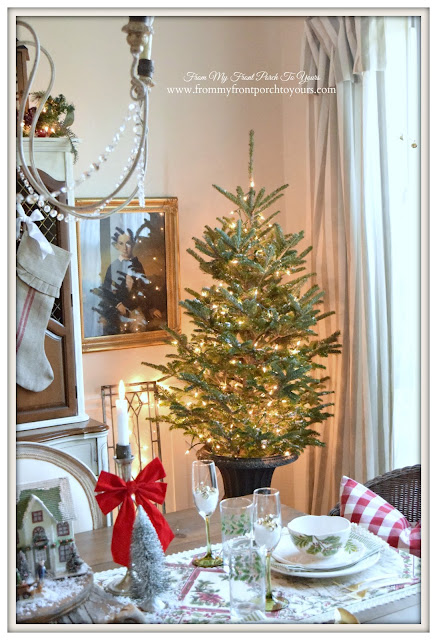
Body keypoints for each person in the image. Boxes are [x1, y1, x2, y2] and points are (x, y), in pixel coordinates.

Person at [99, 227, 163, 335]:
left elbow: (144, 287)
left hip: (135, 308)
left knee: (139, 328)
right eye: (121, 243)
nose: (125, 247)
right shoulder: (113, 266)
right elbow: (106, 290)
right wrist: (118, 304)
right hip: (118, 309)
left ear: (132, 244)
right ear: (117, 246)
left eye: (128, 243)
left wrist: (152, 308)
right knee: (116, 330)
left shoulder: (137, 264)